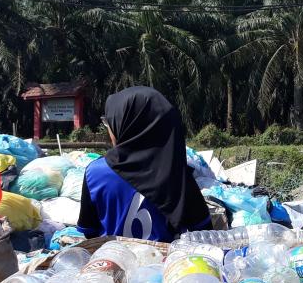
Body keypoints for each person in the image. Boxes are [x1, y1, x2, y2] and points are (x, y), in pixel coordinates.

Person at [78, 87, 211, 242]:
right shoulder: (178, 174)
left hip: (111, 260)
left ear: (125, 124)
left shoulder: (95, 173)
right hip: (164, 263)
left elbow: (89, 231)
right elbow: (204, 229)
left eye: (110, 123)